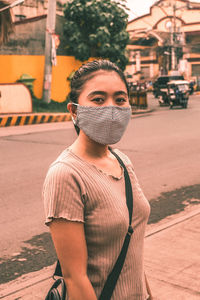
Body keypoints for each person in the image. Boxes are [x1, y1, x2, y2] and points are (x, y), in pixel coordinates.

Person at [43, 59, 152, 300]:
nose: (112, 108)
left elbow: (133, 248)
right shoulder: (66, 174)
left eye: (120, 99)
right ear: (74, 110)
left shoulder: (122, 160)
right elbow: (75, 278)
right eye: (98, 99)